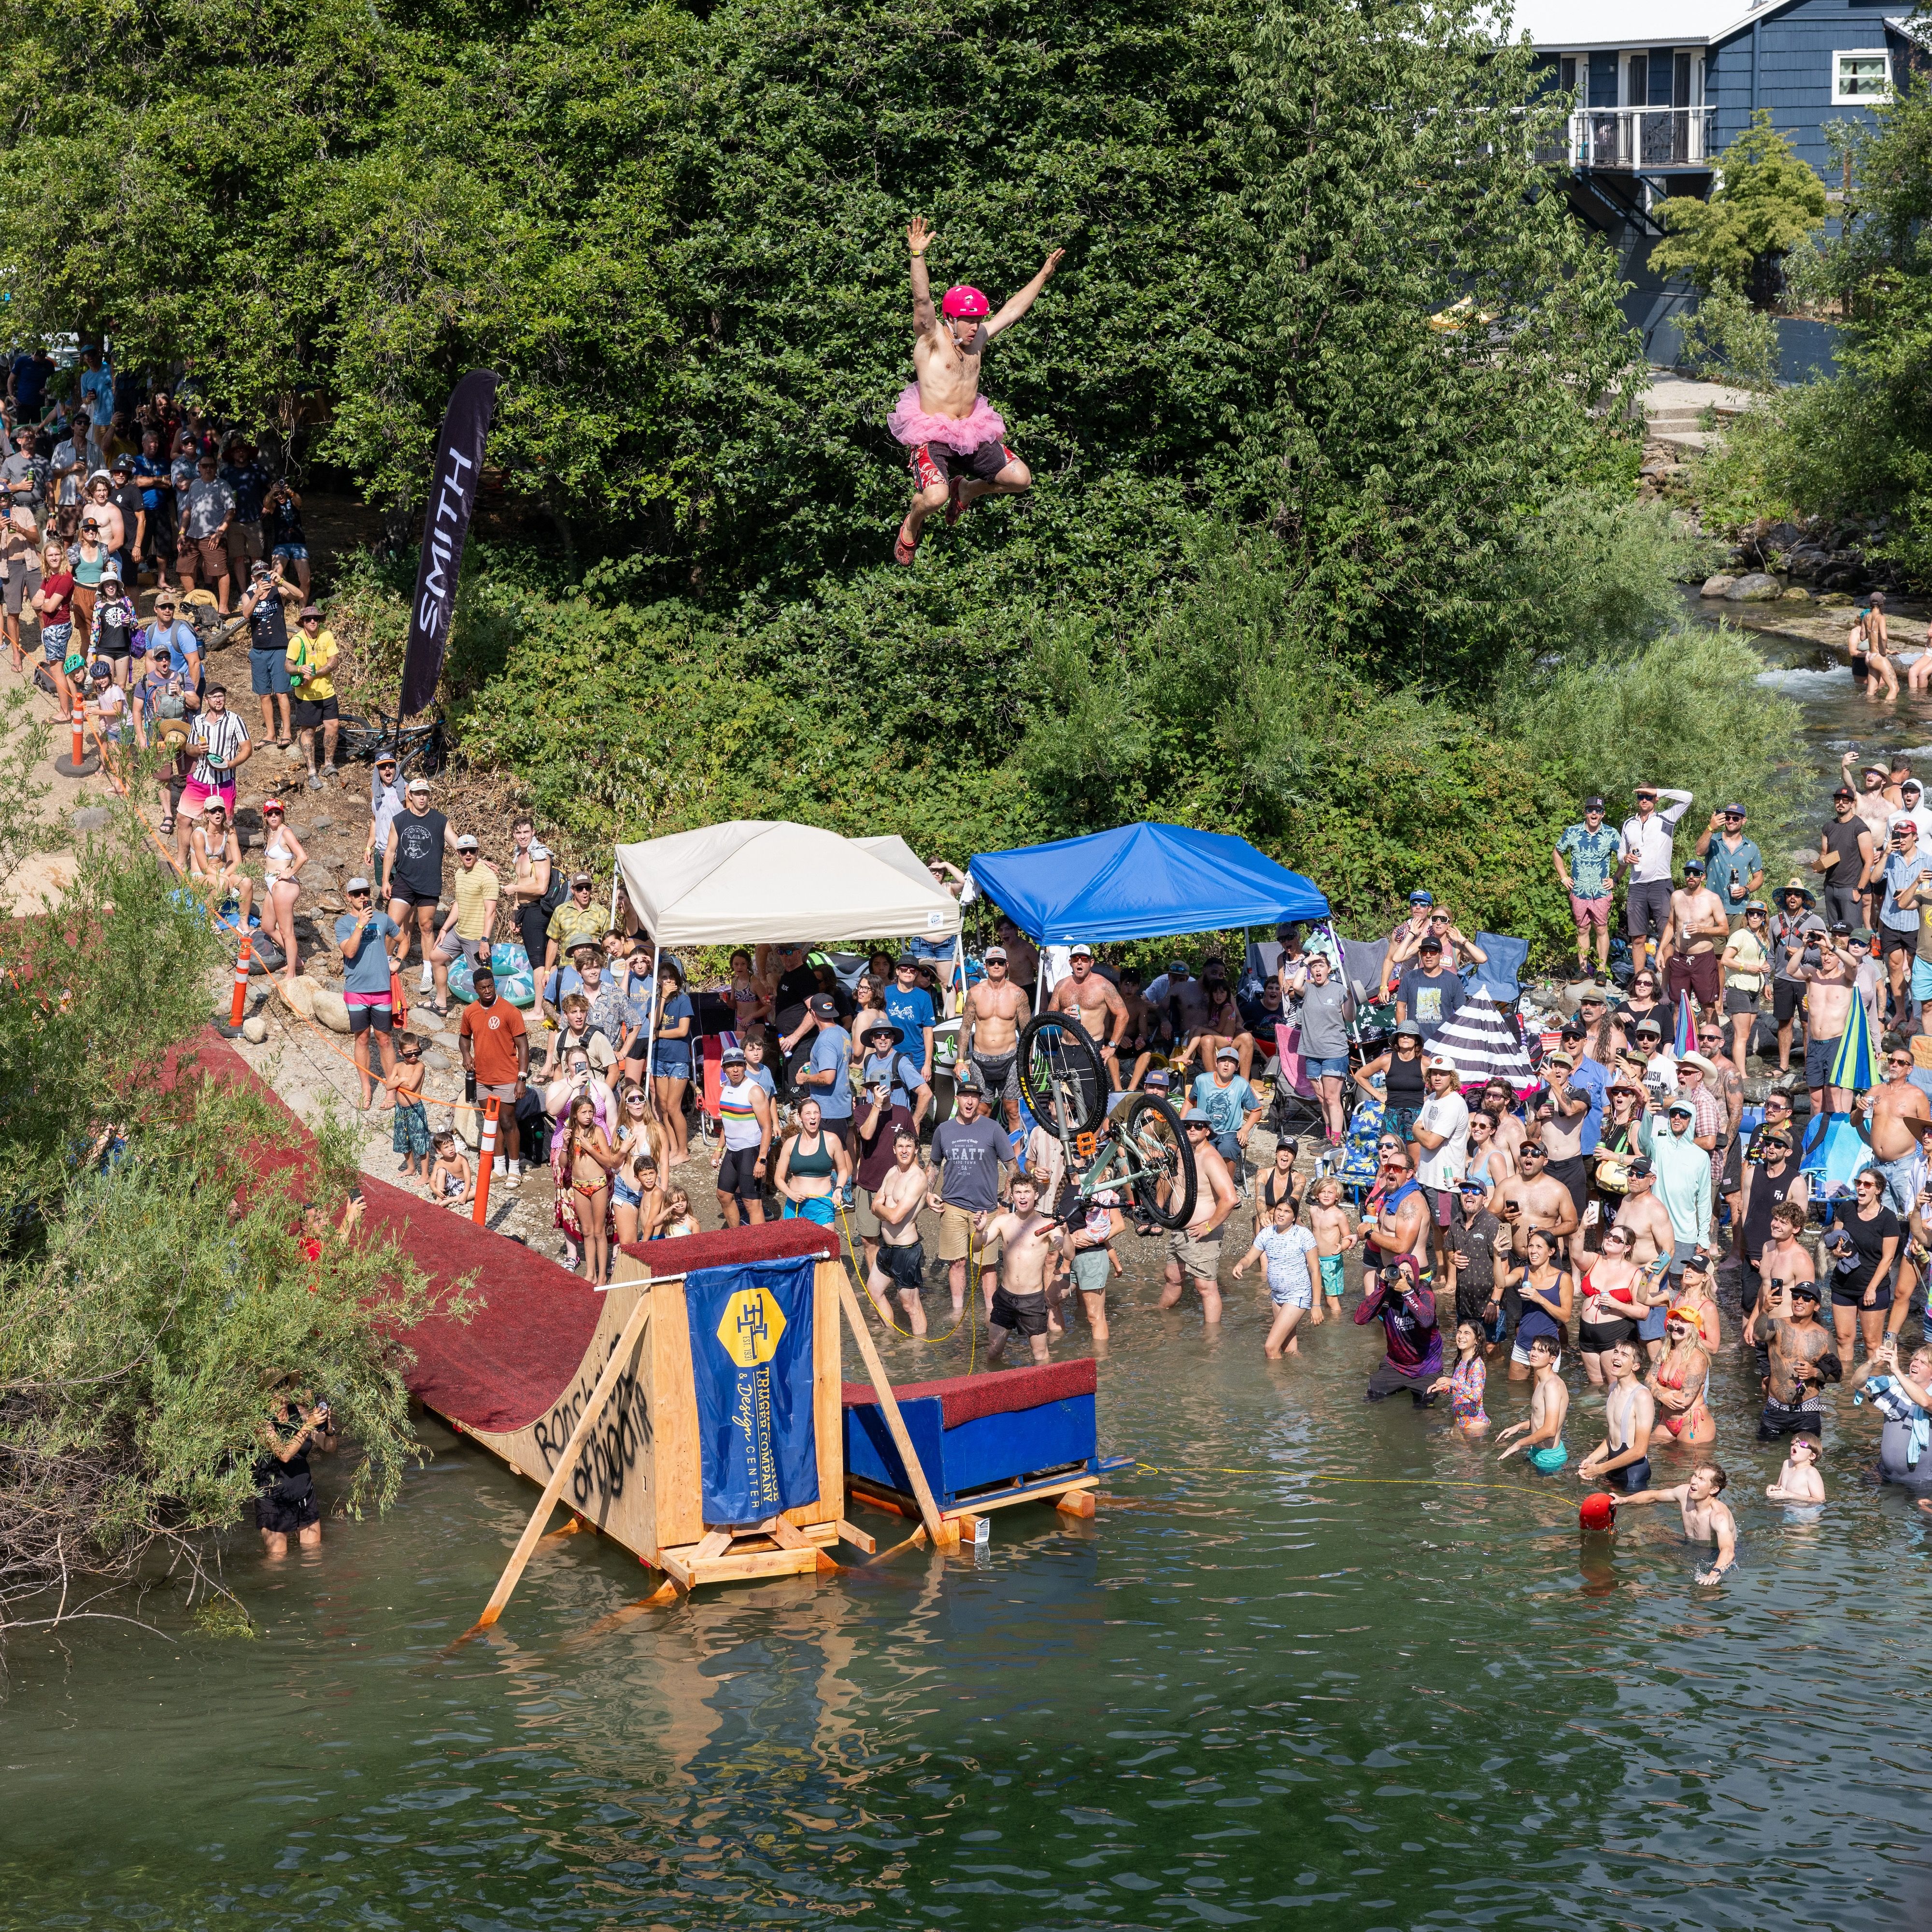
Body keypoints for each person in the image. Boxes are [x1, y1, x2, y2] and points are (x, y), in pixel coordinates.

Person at [891, 215, 1063, 562]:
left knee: (1020, 480)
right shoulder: (932, 338)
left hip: (970, 429)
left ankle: (966, 490)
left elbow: (1012, 311)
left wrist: (1043, 276)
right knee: (934, 499)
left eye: (979, 320)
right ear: (952, 319)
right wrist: (917, 255)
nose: (975, 327)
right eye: (969, 321)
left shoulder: (979, 338)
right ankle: (913, 521)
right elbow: (922, 301)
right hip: (933, 432)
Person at [927, 1079, 1012, 1313]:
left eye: (974, 1097)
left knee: (987, 1265)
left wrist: (1005, 1202)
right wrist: (928, 1193)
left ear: (979, 1101)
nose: (969, 1101)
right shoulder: (944, 1130)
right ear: (957, 1099)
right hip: (952, 1205)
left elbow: (1012, 1166)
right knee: (957, 1263)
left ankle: (990, 1312)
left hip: (986, 1208)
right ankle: (957, 1311)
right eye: (965, 1096)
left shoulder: (993, 1128)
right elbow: (934, 1165)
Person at [381, 777, 459, 1006]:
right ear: (410, 796)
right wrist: (386, 880)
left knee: (426, 926)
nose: (422, 797)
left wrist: (479, 859)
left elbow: (457, 844)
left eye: (425, 793)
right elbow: (390, 851)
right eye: (418, 793)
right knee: (392, 924)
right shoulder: (400, 820)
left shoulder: (440, 821)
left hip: (429, 881)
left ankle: (427, 970)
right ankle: (384, 964)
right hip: (404, 880)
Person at [1161, 1109, 1239, 1323]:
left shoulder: (1211, 1158)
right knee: (1173, 1278)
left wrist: (1209, 1227)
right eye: (1187, 1126)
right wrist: (1159, 1213)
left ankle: (1211, 1342)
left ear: (1207, 1130)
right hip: (1179, 1229)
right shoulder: (1183, 1153)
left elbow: (1230, 1198)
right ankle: (1161, 1317)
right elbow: (1171, 1182)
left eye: (1198, 1125)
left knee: (1205, 1287)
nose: (1192, 1129)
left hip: (1200, 1234)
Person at [975, 1173, 1062, 1364]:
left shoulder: (1047, 1224)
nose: (1023, 1197)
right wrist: (979, 1231)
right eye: (1018, 1192)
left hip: (1032, 1300)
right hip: (1006, 1297)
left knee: (1040, 1354)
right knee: (994, 1351)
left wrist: (1066, 1232)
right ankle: (992, 1388)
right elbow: (976, 1247)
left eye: (1027, 1192)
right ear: (1012, 1196)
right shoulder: (1002, 1221)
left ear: (1036, 1195)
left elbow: (1069, 1254)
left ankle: (1045, 1391)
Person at [458, 962, 530, 1185]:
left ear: (495, 985)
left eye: (491, 986)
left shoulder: (510, 1011)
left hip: (507, 1077)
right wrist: (466, 1056)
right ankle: (499, 1167)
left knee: (508, 1121)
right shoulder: (470, 1012)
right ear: (476, 989)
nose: (488, 991)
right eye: (483, 988)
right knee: (492, 1122)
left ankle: (515, 1169)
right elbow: (464, 1038)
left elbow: (524, 1046)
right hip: (483, 1079)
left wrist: (522, 1078)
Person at [1612, 1464, 1740, 1585]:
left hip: (1715, 1554)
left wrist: (1714, 1573)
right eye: (1695, 1475)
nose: (1694, 1481)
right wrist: (1623, 1500)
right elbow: (1654, 1496)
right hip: (1689, 1545)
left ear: (1714, 1489)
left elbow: (1728, 1551)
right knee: (1640, 1531)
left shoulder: (1718, 1516)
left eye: (1701, 1479)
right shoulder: (1685, 1493)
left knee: (1704, 1593)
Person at [1821, 1168, 1900, 1361]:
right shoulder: (1846, 1209)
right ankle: (1846, 1387)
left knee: (1872, 1343)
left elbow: (1887, 1258)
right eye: (1859, 1183)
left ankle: (1877, 1388)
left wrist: (1871, 1289)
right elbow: (1835, 1240)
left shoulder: (1888, 1219)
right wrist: (1836, 1252)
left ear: (1879, 1190)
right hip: (1843, 1285)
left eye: (1867, 1184)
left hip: (1873, 1287)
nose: (1861, 1188)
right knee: (1843, 1339)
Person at [1618, 783, 1695, 974]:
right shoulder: (1629, 824)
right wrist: (1625, 858)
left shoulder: (1666, 818)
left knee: (1666, 935)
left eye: (1649, 797)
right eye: (1641, 797)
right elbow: (1621, 853)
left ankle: (1668, 983)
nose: (1644, 800)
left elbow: (1688, 797)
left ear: (1656, 799)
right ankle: (1639, 981)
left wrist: (1658, 791)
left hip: (1661, 883)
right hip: (1636, 885)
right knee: (1637, 937)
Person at [861, 1124, 931, 1332]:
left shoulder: (918, 1179)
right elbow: (875, 1206)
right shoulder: (892, 1172)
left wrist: (880, 1208)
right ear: (894, 1149)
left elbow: (895, 1216)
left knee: (910, 1305)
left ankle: (920, 1348)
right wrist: (881, 1208)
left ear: (916, 1150)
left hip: (905, 1251)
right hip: (887, 1249)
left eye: (909, 1146)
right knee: (874, 1292)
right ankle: (890, 1336)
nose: (904, 1150)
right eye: (900, 1146)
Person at [1233, 1197, 1320, 1360]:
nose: (1281, 1214)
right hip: (1278, 1297)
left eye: (1287, 1211)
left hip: (1298, 1295)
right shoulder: (1266, 1233)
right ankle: (1302, 1380)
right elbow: (1249, 1259)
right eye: (1279, 1210)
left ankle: (1277, 1382)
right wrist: (1240, 1265)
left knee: (1271, 1348)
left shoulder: (1303, 1234)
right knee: (1290, 1351)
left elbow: (1315, 1271)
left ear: (1294, 1217)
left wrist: (1316, 1305)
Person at [255, 1388, 337, 1558]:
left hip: (304, 1495)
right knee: (277, 1561)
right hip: (273, 1499)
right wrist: (308, 1426)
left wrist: (329, 1430)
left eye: (285, 1387)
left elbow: (329, 1447)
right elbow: (284, 1454)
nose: (283, 1399)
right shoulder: (261, 1423)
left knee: (314, 1555)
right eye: (276, 1390)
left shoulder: (299, 1412)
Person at [1353, 1250, 1444, 1405]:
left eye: (1408, 1272)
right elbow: (1359, 1319)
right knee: (1372, 1400)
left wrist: (1408, 1292)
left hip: (1427, 1367)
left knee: (1426, 1406)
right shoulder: (1387, 1295)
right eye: (1399, 1272)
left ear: (1416, 1275)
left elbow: (1427, 1321)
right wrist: (1382, 1286)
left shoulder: (1425, 1294)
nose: (1404, 1276)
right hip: (1396, 1365)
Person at [1638, 1097, 1712, 1281]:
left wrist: (1703, 1237)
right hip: (1655, 1229)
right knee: (1652, 1279)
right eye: (1673, 1113)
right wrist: (1648, 1115)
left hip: (1684, 1233)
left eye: (1684, 1115)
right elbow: (1642, 1143)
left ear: (1692, 1119)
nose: (1677, 1118)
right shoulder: (1659, 1145)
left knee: (1679, 1283)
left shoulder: (1701, 1157)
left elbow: (1704, 1199)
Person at [1757, 1279, 1840, 1441]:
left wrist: (1815, 1372)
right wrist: (1764, 1311)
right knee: (1764, 1458)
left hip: (1807, 1413)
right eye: (1796, 1296)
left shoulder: (1825, 1337)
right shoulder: (1777, 1325)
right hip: (1775, 1410)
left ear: (1816, 1307)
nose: (1800, 1301)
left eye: (1807, 1298)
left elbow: (1838, 1376)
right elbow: (1758, 1335)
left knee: (1807, 1456)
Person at [1411, 1054, 1469, 1280]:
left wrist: (1419, 1131)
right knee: (1436, 1228)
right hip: (1427, 1174)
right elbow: (1418, 1129)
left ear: (1452, 1078)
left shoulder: (1454, 1103)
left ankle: (1453, 1279)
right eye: (1434, 1073)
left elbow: (1430, 1141)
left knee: (1448, 1230)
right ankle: (1442, 1272)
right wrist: (1419, 1131)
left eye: (1443, 1074)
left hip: (1445, 1179)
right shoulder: (1431, 1100)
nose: (1437, 1077)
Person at [961, 945, 1030, 1128]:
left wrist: (1028, 1061)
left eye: (1000, 962)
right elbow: (966, 1027)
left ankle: (1016, 1155)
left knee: (1013, 1109)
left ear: (1007, 965)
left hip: (1010, 1058)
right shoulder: (975, 993)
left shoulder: (1018, 994)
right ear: (986, 966)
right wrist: (960, 1060)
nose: (996, 966)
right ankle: (983, 1151)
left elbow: (1027, 1032)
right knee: (982, 1109)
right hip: (981, 1059)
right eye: (992, 962)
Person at [1577, 1339, 1657, 1493]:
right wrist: (1593, 1459)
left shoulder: (1642, 1397)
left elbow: (1640, 1450)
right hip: (1611, 1469)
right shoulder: (1613, 1388)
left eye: (1624, 1355)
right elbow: (1613, 1436)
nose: (1616, 1357)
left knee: (1633, 1517)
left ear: (1636, 1366)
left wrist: (1600, 1469)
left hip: (1634, 1476)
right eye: (1616, 1352)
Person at [557, 1094, 620, 1283]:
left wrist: (591, 1148)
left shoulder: (597, 1132)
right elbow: (562, 1164)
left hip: (598, 1184)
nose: (588, 1116)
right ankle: (590, 1273)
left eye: (591, 1112)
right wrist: (566, 1145)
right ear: (575, 1115)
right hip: (578, 1185)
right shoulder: (569, 1133)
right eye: (584, 1112)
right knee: (587, 1230)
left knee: (600, 1230)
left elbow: (609, 1162)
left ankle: (602, 1276)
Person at [1501, 1224, 1575, 1384]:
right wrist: (1496, 1254)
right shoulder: (1523, 1272)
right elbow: (1501, 1282)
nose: (1533, 1251)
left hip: (1547, 1349)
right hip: (1522, 1345)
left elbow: (1566, 1317)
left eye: (1539, 1247)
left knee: (1540, 1399)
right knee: (1515, 1397)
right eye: (1531, 1246)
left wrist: (1540, 1299)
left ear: (1551, 1252)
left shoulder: (1564, 1278)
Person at [713, 1042, 775, 1229]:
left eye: (739, 1065)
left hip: (751, 1151)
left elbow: (767, 1128)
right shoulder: (726, 1089)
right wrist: (718, 1149)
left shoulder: (754, 1091)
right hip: (732, 1152)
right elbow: (728, 1123)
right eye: (731, 1066)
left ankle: (761, 1250)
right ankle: (738, 1238)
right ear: (724, 1069)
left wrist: (762, 1160)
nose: (735, 1070)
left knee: (752, 1203)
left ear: (744, 1066)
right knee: (723, 1195)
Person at [1553, 795, 1619, 970]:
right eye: (1590, 810)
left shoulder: (1612, 834)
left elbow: (1624, 858)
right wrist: (1564, 877)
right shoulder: (1572, 832)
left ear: (1603, 814)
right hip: (1579, 892)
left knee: (1601, 929)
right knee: (1582, 930)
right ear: (1585, 812)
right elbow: (1557, 853)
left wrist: (1616, 879)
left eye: (1598, 811)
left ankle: (1601, 970)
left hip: (1601, 892)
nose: (1594, 814)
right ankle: (1583, 970)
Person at [430, 835, 500, 1001]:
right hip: (459, 932)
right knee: (435, 958)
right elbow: (459, 904)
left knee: (484, 981)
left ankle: (490, 1014)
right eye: (463, 851)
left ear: (478, 852)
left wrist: (484, 941)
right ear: (458, 853)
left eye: (472, 851)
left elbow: (491, 912)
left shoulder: (488, 877)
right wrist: (445, 929)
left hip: (477, 937)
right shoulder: (460, 874)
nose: (468, 854)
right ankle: (441, 1002)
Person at [1659, 857, 1728, 1022]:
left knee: (1709, 1006)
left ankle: (1713, 1045)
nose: (1691, 876)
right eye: (1687, 873)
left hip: (1703, 959)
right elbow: (1670, 925)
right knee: (1678, 1005)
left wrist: (1702, 929)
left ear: (1703, 877)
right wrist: (1660, 951)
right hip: (1680, 957)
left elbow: (1725, 929)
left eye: (1696, 874)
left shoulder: (1712, 899)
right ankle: (1679, 1045)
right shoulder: (1677, 896)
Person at [1576, 1222, 1646, 1385]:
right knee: (1595, 1385)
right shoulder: (1595, 1260)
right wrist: (1583, 1228)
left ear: (1627, 1248)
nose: (1609, 1239)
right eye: (1608, 1235)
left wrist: (1617, 1304)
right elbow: (1576, 1255)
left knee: (1615, 1385)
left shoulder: (1635, 1274)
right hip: (1587, 1334)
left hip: (1614, 1334)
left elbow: (1643, 1313)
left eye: (1616, 1239)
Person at [1050, 942, 1130, 1085]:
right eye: (1076, 959)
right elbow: (1049, 1016)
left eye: (1084, 959)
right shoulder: (1062, 985)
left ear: (1091, 962)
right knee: (1058, 1100)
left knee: (1090, 1103)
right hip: (1065, 1048)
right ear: (1070, 962)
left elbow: (1123, 1015)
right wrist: (1062, 1014)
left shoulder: (1103, 985)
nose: (1080, 962)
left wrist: (1112, 1046)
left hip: (1090, 1048)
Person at [1192, 1046, 1263, 1193]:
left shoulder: (1241, 1084)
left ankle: (1227, 1190)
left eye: (1231, 1062)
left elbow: (1257, 1111)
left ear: (1237, 1067)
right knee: (1201, 1148)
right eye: (1223, 1060)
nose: (1226, 1064)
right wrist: (1183, 1122)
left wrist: (1245, 1129)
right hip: (1205, 1129)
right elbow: (1189, 1100)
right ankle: (1202, 1188)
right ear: (1216, 1063)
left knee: (1228, 1148)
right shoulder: (1202, 1080)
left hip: (1230, 1131)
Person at [284, 604, 341, 785]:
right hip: (306, 694)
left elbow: (334, 661)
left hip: (327, 691)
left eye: (316, 619)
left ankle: (329, 764)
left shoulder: (327, 635)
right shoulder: (297, 640)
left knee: (333, 725)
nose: (313, 622)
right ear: (302, 622)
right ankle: (311, 771)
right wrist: (301, 669)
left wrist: (316, 673)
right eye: (308, 619)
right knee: (308, 731)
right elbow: (288, 666)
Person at [1356, 1020, 1428, 1161]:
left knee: (1414, 1162)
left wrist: (1430, 1099)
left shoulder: (1426, 1063)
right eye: (1402, 1035)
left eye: (1410, 1035)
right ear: (1397, 1039)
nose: (1405, 1038)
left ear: (1417, 1040)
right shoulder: (1387, 1060)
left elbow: (1443, 1085)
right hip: (1392, 1114)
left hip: (1416, 1115)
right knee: (1388, 1160)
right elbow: (1360, 1076)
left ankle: (1411, 1183)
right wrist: (1378, 1095)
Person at [774, 1095, 850, 1228]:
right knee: (795, 1248)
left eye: (816, 1113)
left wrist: (839, 1189)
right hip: (795, 1205)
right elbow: (779, 1178)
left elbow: (843, 1170)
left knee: (825, 1248)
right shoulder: (790, 1144)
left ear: (821, 1115)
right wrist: (790, 1193)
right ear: (800, 1117)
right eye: (808, 1113)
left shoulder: (832, 1140)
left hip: (822, 1206)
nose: (813, 1117)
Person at [1496, 1332, 1570, 1467]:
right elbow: (1541, 1419)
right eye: (1534, 1349)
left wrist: (1519, 1444)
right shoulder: (1542, 1383)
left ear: (1552, 1359)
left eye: (1541, 1351)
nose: (1534, 1354)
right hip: (1537, 1451)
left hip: (1550, 1458)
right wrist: (1519, 1427)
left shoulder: (1552, 1386)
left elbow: (1550, 1430)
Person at [1813, 789, 1876, 941]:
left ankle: (1855, 964)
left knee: (1852, 935)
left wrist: (1859, 889)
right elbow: (1824, 853)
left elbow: (1869, 861)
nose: (1841, 803)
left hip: (1850, 888)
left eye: (1846, 800)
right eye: (1838, 800)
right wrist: (1820, 865)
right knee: (1835, 934)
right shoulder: (1828, 827)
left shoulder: (1860, 828)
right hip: (1830, 887)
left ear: (1853, 804)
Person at [257, 798, 308, 985]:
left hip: (283, 886)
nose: (274, 816)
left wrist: (289, 872)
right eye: (270, 814)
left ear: (282, 814)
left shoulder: (286, 832)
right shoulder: (271, 833)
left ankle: (292, 973)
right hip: (273, 885)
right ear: (265, 817)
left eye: (277, 813)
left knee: (287, 932)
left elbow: (302, 856)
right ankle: (296, 959)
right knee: (267, 927)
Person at [1649, 1307, 1716, 1446]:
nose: (1677, 1324)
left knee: (1687, 1467)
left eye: (1684, 1321)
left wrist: (1658, 1389)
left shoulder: (1698, 1358)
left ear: (1693, 1329)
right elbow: (1648, 1380)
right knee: (1648, 1450)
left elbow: (1683, 1399)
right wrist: (1662, 1396)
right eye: (1675, 1320)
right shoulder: (1666, 1351)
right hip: (1666, 1421)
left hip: (1692, 1423)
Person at [186, 797, 252, 927]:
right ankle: (209, 919)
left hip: (222, 873)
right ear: (207, 814)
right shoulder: (199, 835)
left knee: (247, 882)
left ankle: (243, 923)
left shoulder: (229, 832)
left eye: (220, 810)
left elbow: (238, 861)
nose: (217, 814)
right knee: (222, 883)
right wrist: (224, 879)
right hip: (201, 876)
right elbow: (204, 867)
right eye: (213, 811)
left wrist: (225, 876)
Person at [1695, 802, 1764, 921]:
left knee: (1736, 940)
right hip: (1712, 907)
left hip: (1738, 910)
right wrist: (1711, 828)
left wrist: (1746, 889)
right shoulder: (1713, 840)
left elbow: (1759, 877)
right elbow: (1699, 852)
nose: (1731, 821)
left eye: (1736, 818)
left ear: (1744, 821)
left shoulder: (1751, 848)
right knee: (1714, 940)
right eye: (1727, 817)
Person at [1393, 937, 1466, 1044]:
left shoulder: (1453, 981)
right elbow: (1401, 1007)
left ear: (1441, 955)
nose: (1428, 956)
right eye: (1424, 952)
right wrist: (1404, 1034)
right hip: (1415, 1042)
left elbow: (1462, 1014)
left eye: (1433, 952)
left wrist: (1454, 1040)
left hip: (1443, 1042)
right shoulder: (1410, 978)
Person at [1307, 1175, 1356, 1315]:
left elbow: (1347, 1237)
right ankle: (1327, 1316)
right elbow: (1314, 1232)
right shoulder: (1313, 1211)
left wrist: (1343, 1246)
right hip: (1316, 1259)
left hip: (1332, 1261)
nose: (1326, 1195)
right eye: (1323, 1192)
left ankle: (1336, 1325)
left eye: (1330, 1192)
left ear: (1337, 1196)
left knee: (1331, 1298)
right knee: (1320, 1293)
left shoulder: (1339, 1215)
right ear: (1317, 1194)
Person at [385, 1037, 432, 1185]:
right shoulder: (398, 1066)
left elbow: (411, 1086)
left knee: (420, 1141)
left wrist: (398, 1082)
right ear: (401, 1053)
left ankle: (425, 1175)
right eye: (408, 1054)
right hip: (401, 1109)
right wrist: (401, 1080)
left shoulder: (420, 1066)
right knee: (404, 1140)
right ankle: (411, 1168)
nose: (413, 1056)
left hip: (415, 1109)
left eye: (417, 1052)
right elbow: (388, 1086)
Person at [1766, 1435, 1826, 1504]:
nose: (1796, 1445)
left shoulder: (1811, 1472)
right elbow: (1779, 1486)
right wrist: (1773, 1488)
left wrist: (1790, 1496)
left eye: (1803, 1444)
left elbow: (1820, 1500)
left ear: (1812, 1456)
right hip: (1787, 1506)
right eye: (1794, 1442)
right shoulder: (1787, 1464)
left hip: (1806, 1512)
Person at [428, 1130, 473, 1206]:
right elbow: (432, 1181)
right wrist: (436, 1191)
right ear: (439, 1151)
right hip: (446, 1188)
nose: (451, 1149)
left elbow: (468, 1178)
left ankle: (451, 1200)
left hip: (461, 1186)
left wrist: (465, 1194)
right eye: (446, 1147)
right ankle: (440, 1198)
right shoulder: (439, 1163)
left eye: (452, 1145)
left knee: (479, 1191)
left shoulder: (462, 1159)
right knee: (441, 1171)